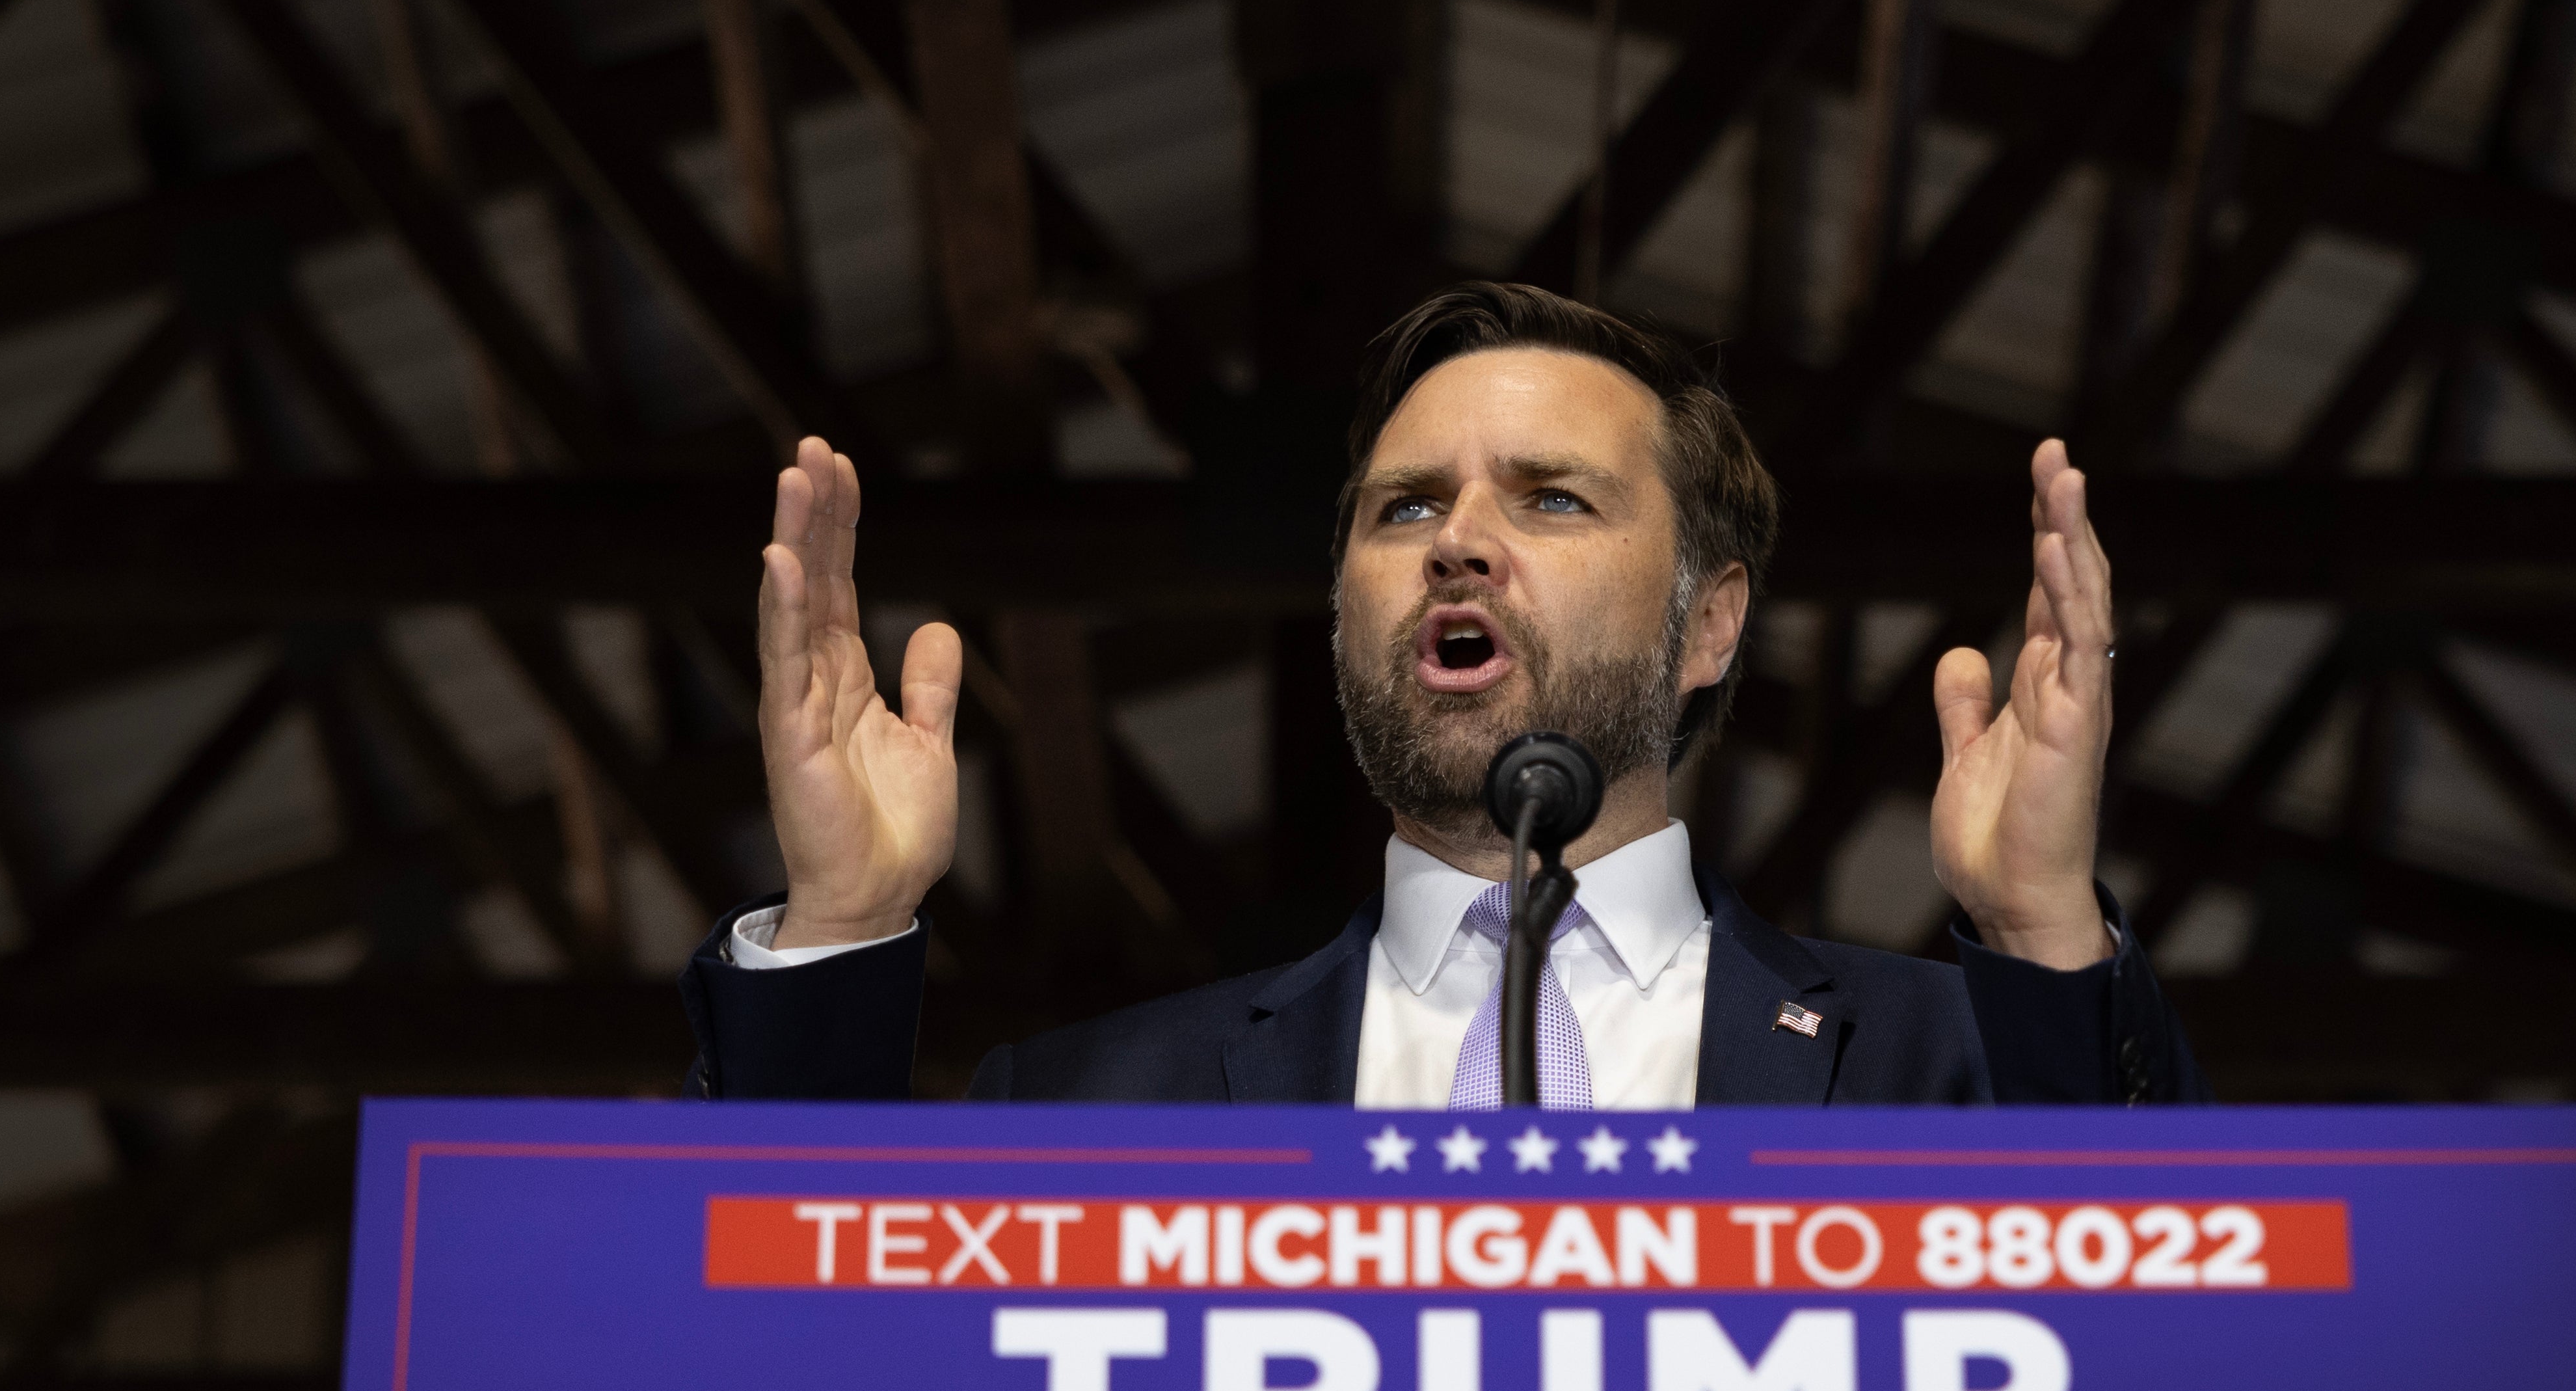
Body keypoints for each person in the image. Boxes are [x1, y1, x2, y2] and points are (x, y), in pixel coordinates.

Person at [678, 282, 2203, 1109]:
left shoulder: (1951, 1069)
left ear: (1711, 625)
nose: (1458, 539)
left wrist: (2041, 939)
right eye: (1403, 509)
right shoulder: (1093, 1110)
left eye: (1551, 501)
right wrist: (839, 934)